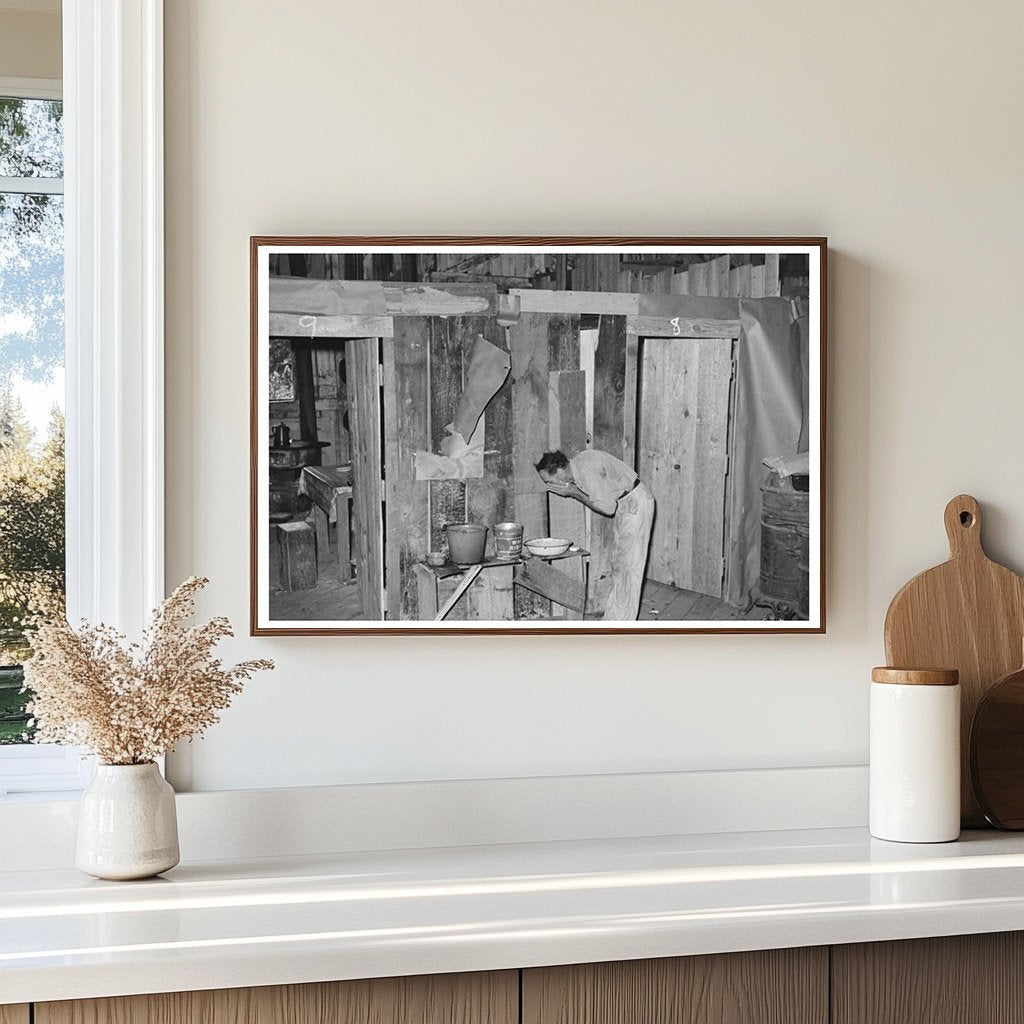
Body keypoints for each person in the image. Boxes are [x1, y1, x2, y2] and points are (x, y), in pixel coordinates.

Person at [535, 449, 655, 621]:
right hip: (627, 503)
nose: (549, 485)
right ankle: (614, 619)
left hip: (635, 503)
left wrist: (574, 493)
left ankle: (621, 626)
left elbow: (607, 508)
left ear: (560, 473)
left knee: (629, 567)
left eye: (549, 480)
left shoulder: (586, 469)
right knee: (620, 564)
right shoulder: (578, 463)